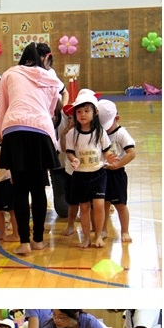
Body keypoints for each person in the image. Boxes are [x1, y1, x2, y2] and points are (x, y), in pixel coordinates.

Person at [0, 43, 63, 254]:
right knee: (38, 188)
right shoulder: (50, 77)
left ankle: (24, 242)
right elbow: (51, 110)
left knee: (20, 189)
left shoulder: (9, 74)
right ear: (44, 59)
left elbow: (2, 107)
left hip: (14, 130)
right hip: (40, 131)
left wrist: (4, 132)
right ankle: (38, 240)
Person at [64, 90, 111, 249]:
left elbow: (107, 150)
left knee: (98, 205)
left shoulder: (100, 132)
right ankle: (86, 237)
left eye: (86, 111)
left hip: (98, 174)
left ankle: (98, 236)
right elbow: (69, 152)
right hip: (80, 175)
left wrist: (110, 157)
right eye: (79, 112)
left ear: (95, 113)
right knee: (83, 208)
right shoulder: (72, 133)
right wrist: (73, 159)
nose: (82, 114)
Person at [99, 99, 136, 242]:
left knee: (120, 205)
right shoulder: (99, 133)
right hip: (102, 173)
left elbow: (131, 153)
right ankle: (103, 229)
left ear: (117, 118)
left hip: (117, 175)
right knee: (104, 204)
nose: (105, 129)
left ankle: (125, 231)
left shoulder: (121, 133)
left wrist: (118, 165)